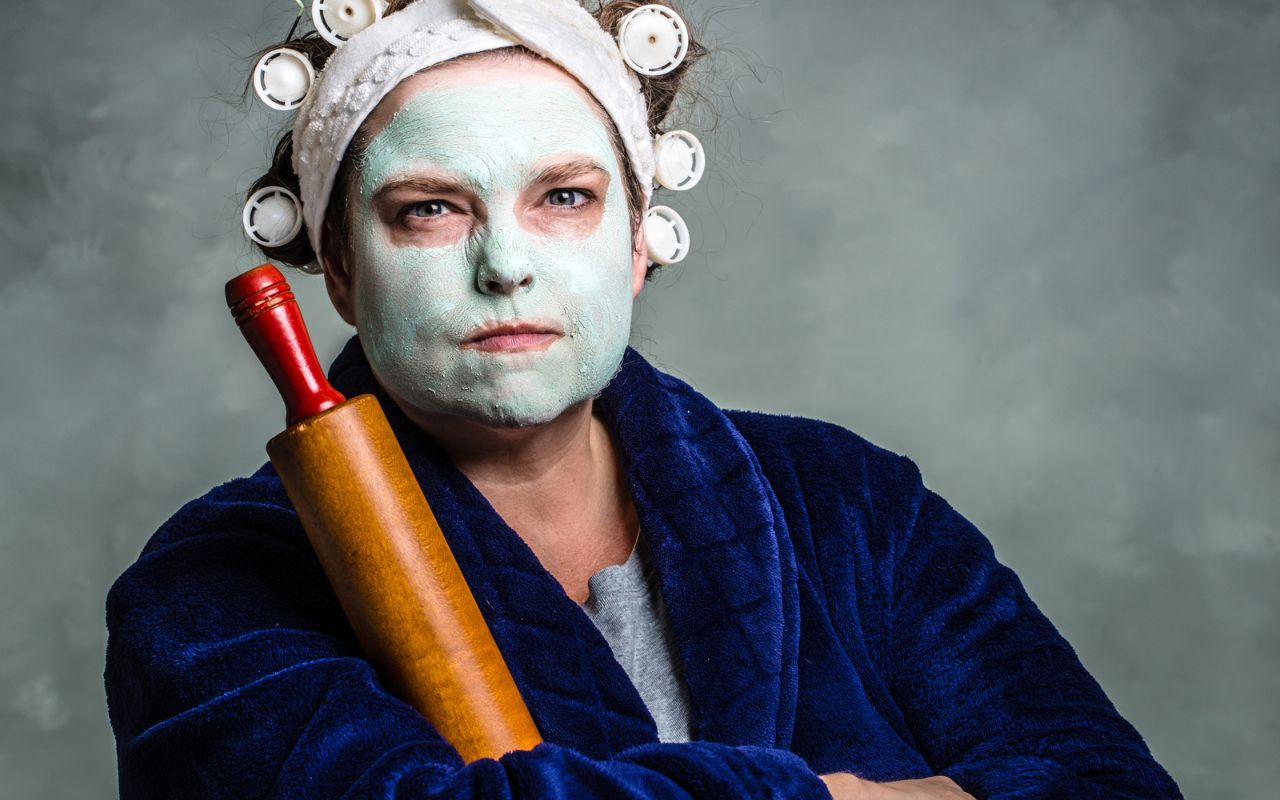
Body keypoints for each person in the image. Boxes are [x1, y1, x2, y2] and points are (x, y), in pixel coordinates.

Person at [104, 1, 1183, 798]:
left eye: (563, 197)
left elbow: (1103, 784)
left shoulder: (849, 503)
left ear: (635, 242)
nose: (505, 264)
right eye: (428, 209)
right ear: (339, 265)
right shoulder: (209, 589)